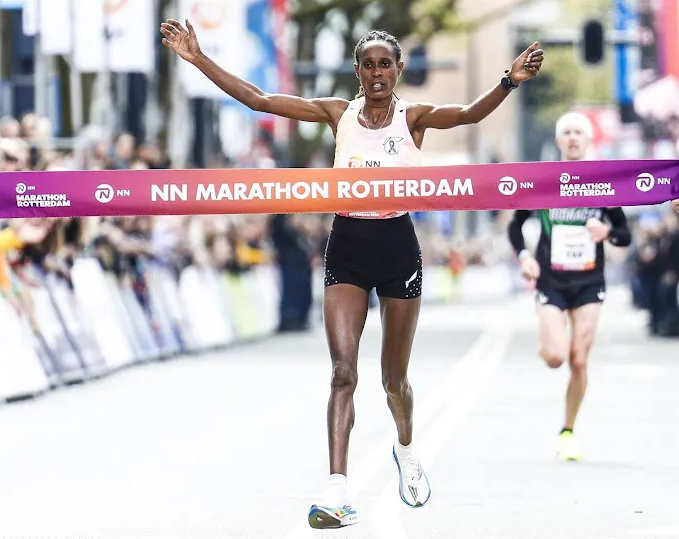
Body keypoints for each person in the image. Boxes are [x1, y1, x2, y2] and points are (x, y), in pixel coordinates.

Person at [160, 18, 544, 528]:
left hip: (398, 248)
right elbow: (259, 99)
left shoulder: (416, 117)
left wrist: (510, 80)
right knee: (343, 372)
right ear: (357, 72)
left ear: (399, 69)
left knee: (393, 381)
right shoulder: (336, 113)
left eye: (386, 64)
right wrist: (199, 58)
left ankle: (405, 449)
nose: (378, 72)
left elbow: (470, 114)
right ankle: (337, 490)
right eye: (368, 65)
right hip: (347, 246)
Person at [507, 111, 631, 462]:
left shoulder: (602, 183)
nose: (573, 137)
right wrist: (523, 256)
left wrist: (607, 232)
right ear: (559, 140)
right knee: (555, 357)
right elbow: (516, 226)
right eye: (567, 132)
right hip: (552, 280)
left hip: (590, 281)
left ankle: (568, 431)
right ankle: (549, 336)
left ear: (589, 140)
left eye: (579, 132)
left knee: (578, 360)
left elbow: (625, 235)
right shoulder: (544, 181)